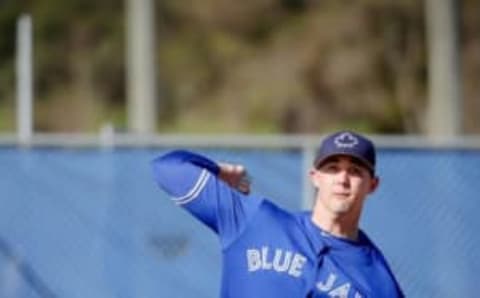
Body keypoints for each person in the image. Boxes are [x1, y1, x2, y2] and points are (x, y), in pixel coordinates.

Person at [151, 130, 404, 298]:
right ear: (314, 177)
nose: (342, 180)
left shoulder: (377, 280)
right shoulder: (254, 222)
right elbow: (167, 169)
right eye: (332, 168)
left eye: (355, 171)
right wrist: (217, 170)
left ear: (373, 185)